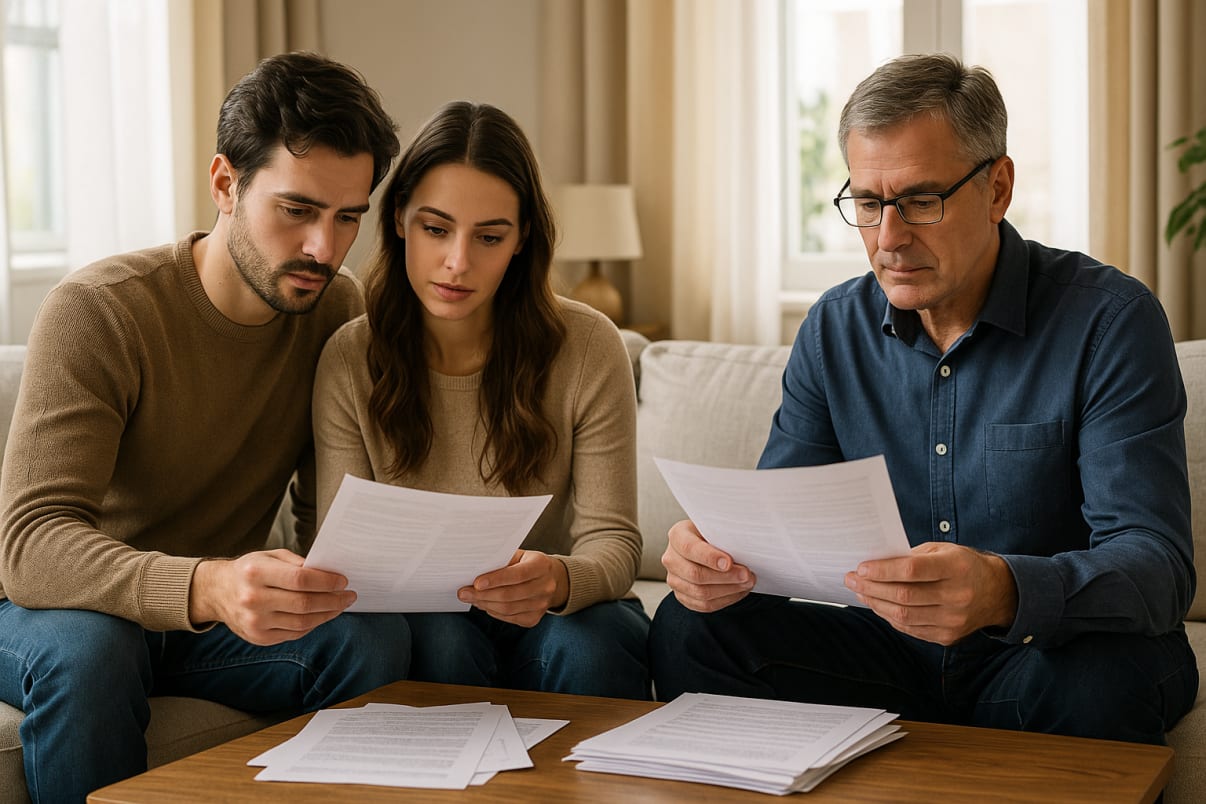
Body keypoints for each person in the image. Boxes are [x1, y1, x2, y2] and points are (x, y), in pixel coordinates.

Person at [649, 53, 1198, 745]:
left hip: (1044, 655)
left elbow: (1157, 565)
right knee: (689, 628)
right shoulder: (833, 328)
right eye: (869, 204)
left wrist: (1003, 590)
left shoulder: (1109, 321)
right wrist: (715, 562)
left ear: (997, 189)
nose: (889, 239)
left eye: (920, 201)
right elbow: (776, 530)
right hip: (888, 656)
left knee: (1102, 682)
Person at [0, 52, 411, 800]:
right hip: (61, 609)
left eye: (348, 217)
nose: (324, 248)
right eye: (297, 210)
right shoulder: (99, 311)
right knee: (94, 651)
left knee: (368, 636)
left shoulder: (335, 308)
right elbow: (31, 545)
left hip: (212, 619)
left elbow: (328, 517)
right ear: (225, 184)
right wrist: (207, 584)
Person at [312, 100, 650, 700]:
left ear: (522, 240)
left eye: (490, 237)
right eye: (436, 229)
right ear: (398, 218)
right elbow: (345, 557)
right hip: (423, 617)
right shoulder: (349, 357)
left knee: (592, 643)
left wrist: (557, 579)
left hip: (553, 613)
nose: (458, 263)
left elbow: (615, 543)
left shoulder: (589, 345)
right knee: (440, 640)